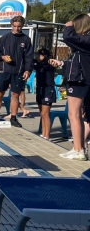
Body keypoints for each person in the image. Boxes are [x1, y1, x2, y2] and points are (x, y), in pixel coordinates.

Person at [49, 13, 90, 161]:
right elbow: (78, 62)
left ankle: (79, 150)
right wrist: (61, 64)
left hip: (79, 81)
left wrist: (68, 26)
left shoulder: (86, 39)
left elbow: (68, 37)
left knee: (74, 115)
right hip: (78, 79)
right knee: (77, 115)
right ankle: (79, 148)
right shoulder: (82, 44)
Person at [0, 16, 34, 127]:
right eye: (14, 26)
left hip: (18, 71)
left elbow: (29, 57)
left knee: (15, 95)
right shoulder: (4, 38)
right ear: (11, 25)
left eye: (19, 26)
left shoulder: (26, 40)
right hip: (4, 70)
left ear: (22, 26)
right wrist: (2, 57)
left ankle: (13, 118)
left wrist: (28, 70)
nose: (16, 29)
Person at [33, 48, 57, 140]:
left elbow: (47, 66)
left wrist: (44, 60)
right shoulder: (38, 64)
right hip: (40, 89)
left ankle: (47, 135)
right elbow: (31, 62)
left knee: (45, 114)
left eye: (41, 55)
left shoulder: (50, 64)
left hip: (48, 89)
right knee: (42, 114)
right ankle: (43, 133)